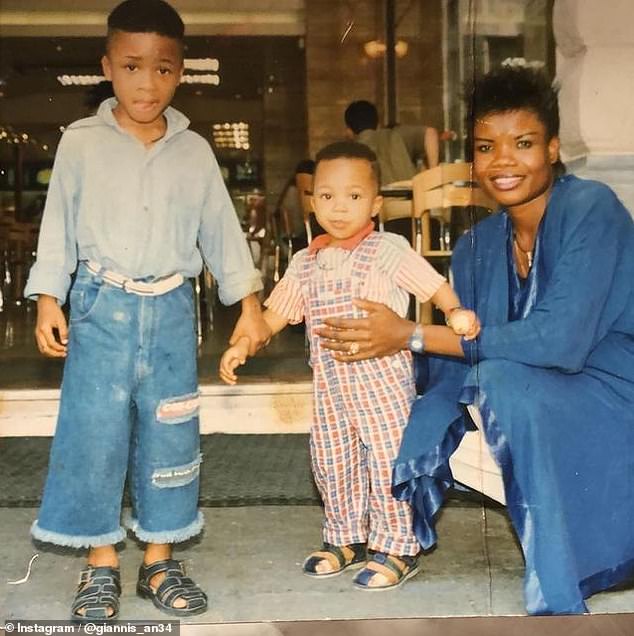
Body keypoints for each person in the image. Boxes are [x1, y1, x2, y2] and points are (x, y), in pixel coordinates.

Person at [317, 65, 634, 614]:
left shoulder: (591, 208)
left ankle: (564, 576)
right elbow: (456, 365)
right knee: (419, 404)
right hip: (534, 393)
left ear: (554, 149)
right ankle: (390, 537)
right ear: (472, 160)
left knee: (504, 380)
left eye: (524, 143)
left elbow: (560, 342)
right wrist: (383, 360)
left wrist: (411, 335)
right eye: (487, 147)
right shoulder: (475, 246)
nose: (504, 161)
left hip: (615, 387)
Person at [24, 0, 268, 622]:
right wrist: (49, 296)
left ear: (180, 72)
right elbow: (58, 228)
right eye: (132, 66)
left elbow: (222, 232)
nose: (146, 82)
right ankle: (100, 561)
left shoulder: (195, 152)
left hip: (169, 314)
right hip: (99, 308)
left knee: (171, 429)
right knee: (94, 434)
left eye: (162, 69)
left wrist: (250, 305)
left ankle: (159, 559)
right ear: (107, 67)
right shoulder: (79, 144)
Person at [219, 141, 479, 591]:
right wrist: (245, 341)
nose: (339, 208)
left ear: (375, 204)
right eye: (327, 196)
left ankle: (398, 546)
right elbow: (274, 317)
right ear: (312, 200)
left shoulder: (388, 249)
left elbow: (434, 285)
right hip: (330, 387)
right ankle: (344, 536)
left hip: (382, 383)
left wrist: (456, 311)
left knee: (385, 461)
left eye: (354, 197)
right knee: (331, 460)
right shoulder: (305, 263)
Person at [344, 100, 439, 186]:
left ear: (349, 131)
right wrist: (433, 177)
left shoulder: (351, 153)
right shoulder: (396, 134)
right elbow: (430, 133)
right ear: (378, 125)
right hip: (413, 199)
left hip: (382, 202)